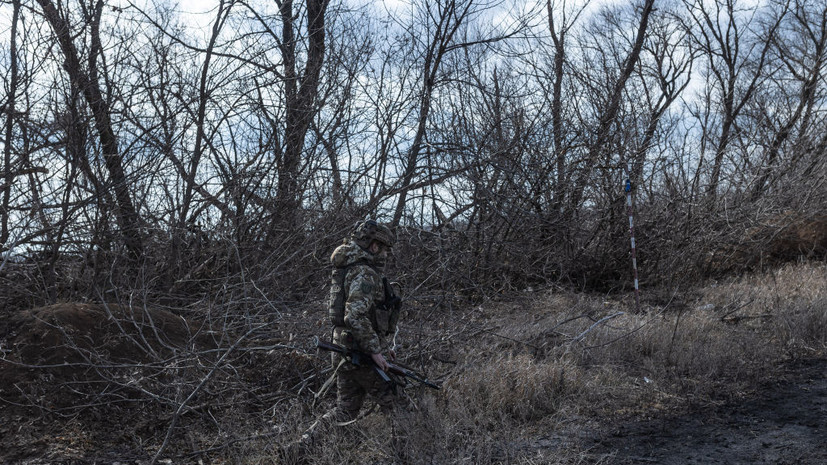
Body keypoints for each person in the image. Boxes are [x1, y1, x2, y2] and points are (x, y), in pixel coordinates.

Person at [292, 219, 406, 457]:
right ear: (374, 246)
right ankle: (406, 456)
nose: (385, 254)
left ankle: (298, 450)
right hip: (360, 354)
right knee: (397, 404)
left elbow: (365, 316)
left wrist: (383, 346)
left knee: (345, 409)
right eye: (384, 248)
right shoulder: (365, 272)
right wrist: (375, 351)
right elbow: (354, 316)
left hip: (345, 349)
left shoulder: (347, 267)